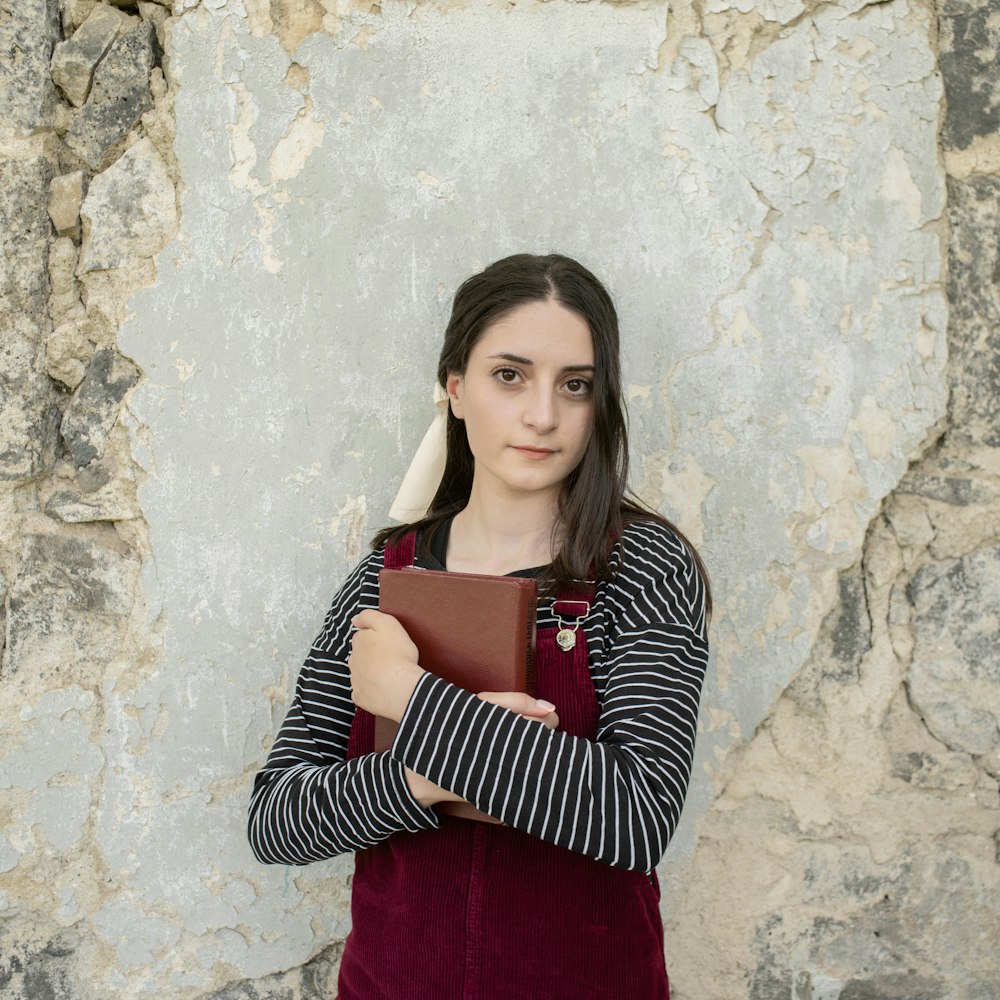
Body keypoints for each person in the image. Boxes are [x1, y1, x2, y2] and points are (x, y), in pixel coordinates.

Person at [248, 253, 711, 1000]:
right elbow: (278, 820)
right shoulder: (385, 577)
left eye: (576, 385)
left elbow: (636, 817)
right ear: (455, 389)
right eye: (509, 375)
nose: (542, 415)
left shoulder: (642, 568)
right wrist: (421, 777)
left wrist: (410, 695)